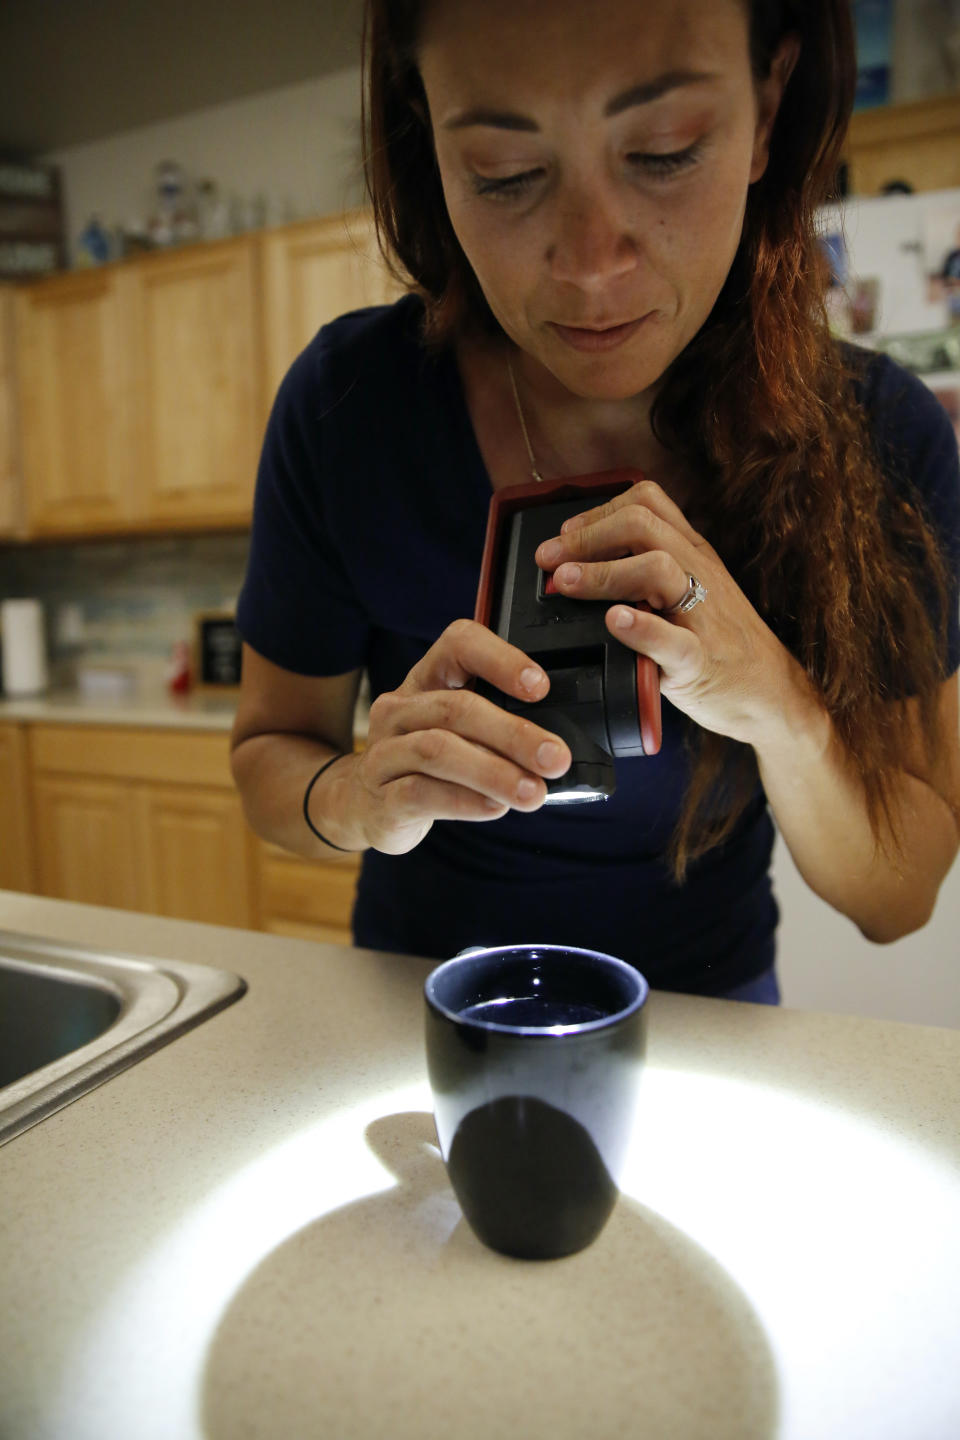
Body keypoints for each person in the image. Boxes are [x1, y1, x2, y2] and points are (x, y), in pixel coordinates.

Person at [231, 0, 960, 1003]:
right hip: (418, 1013)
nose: (590, 265)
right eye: (504, 173)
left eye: (665, 151)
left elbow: (901, 894)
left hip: (712, 1027)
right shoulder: (349, 407)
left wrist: (785, 710)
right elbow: (269, 756)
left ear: (768, 99)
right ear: (425, 135)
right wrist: (356, 796)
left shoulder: (884, 436)